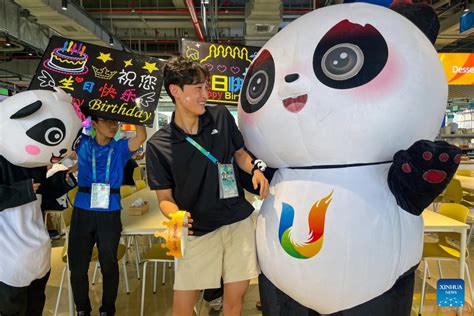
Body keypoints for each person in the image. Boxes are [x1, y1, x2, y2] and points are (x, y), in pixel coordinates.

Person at [146, 56, 269, 316]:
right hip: (198, 232)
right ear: (175, 91)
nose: (206, 94)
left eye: (206, 87)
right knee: (182, 307)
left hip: (237, 222)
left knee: (233, 303)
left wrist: (254, 169)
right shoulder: (159, 145)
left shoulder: (221, 116)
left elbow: (239, 153)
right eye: (198, 88)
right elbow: (164, 198)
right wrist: (174, 213)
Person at [68, 117, 146, 316]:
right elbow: (68, 128)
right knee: (78, 265)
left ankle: (107, 310)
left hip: (109, 212)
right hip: (83, 210)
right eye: (107, 121)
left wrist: (135, 114)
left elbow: (141, 136)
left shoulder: (120, 148)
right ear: (94, 123)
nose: (113, 126)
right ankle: (82, 309)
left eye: (116, 122)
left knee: (109, 264)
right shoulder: (83, 144)